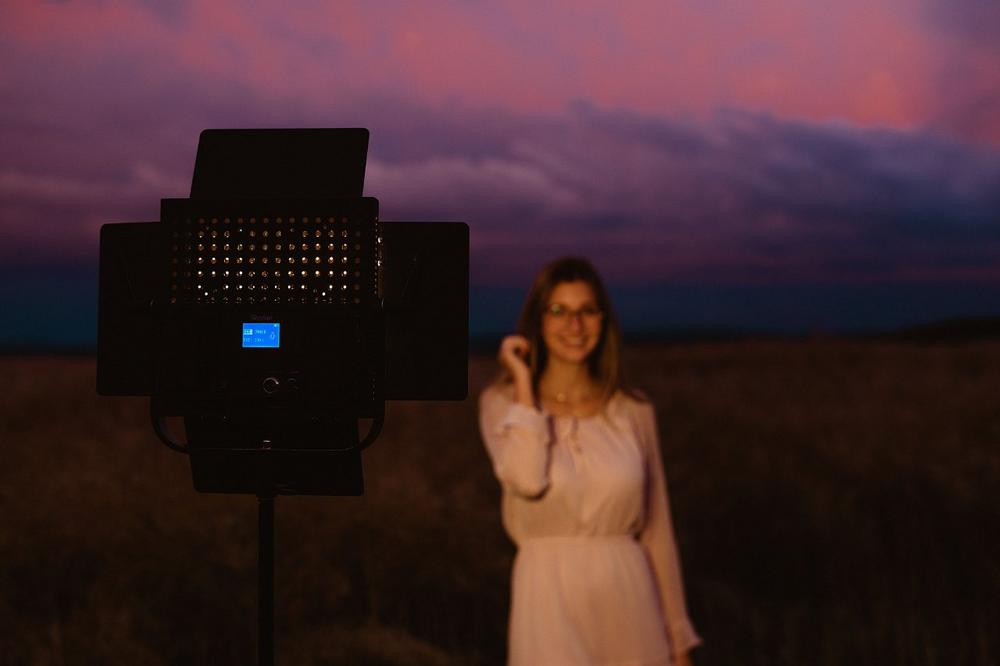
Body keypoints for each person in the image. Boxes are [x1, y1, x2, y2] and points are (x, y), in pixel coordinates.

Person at [479, 257, 702, 665]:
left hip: (629, 598)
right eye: (558, 311)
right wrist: (525, 386)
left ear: (603, 320)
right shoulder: (502, 404)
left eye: (587, 310)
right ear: (538, 321)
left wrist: (679, 641)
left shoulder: (632, 410)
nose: (575, 325)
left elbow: (657, 532)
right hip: (547, 599)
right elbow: (527, 479)